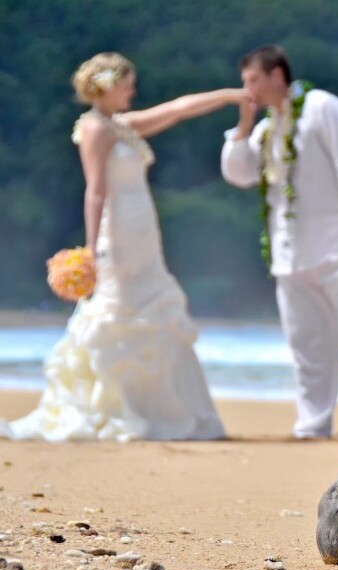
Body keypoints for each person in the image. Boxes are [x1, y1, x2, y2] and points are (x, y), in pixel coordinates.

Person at [0, 52, 244, 441]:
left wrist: (229, 95)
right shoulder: (96, 129)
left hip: (143, 231)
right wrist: (92, 249)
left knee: (155, 307)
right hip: (117, 235)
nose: (133, 89)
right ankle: (122, 410)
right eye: (127, 82)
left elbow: (178, 109)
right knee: (121, 312)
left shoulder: (121, 125)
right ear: (108, 85)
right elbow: (95, 190)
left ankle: (158, 411)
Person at [221, 45, 338, 440]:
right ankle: (312, 425)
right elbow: (240, 173)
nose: (247, 87)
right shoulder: (267, 126)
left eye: (252, 79)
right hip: (290, 252)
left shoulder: (322, 106)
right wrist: (242, 124)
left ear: (277, 76)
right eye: (244, 82)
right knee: (306, 345)